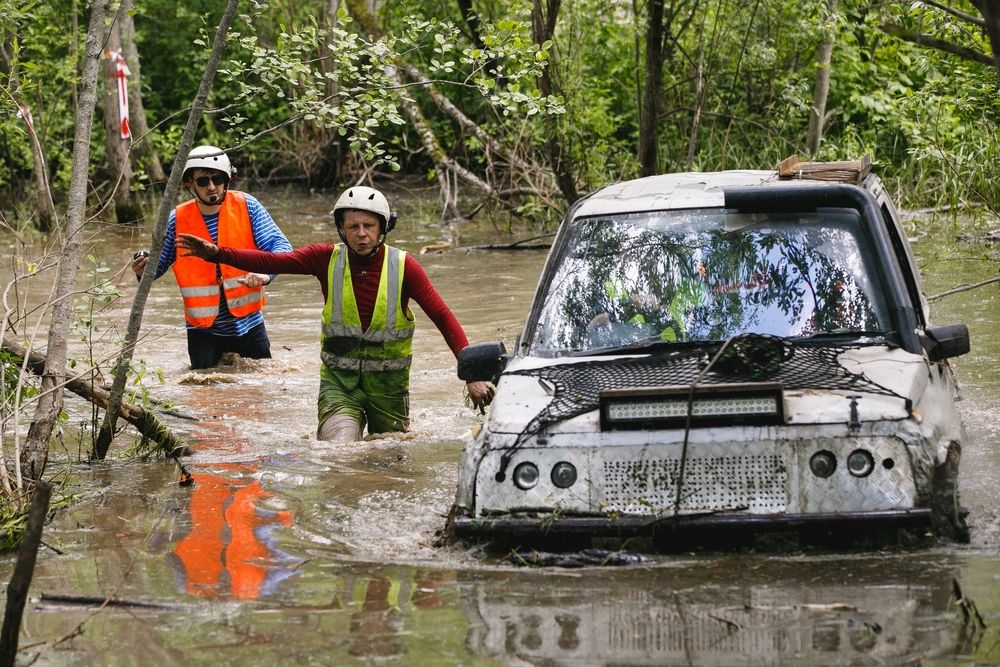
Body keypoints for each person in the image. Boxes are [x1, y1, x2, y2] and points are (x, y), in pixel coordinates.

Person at [176, 185, 494, 442]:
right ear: (341, 229)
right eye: (352, 226)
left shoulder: (404, 266)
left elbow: (442, 315)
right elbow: (271, 261)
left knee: (389, 462)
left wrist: (471, 372)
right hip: (339, 388)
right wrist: (217, 254)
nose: (361, 233)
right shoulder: (324, 258)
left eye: (369, 226)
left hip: (389, 391)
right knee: (339, 453)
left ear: (383, 228)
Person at [133, 145, 292, 369]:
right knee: (205, 396)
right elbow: (157, 268)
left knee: (259, 394)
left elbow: (281, 246)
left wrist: (266, 274)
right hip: (202, 333)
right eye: (202, 181)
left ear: (227, 180)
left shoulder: (248, 206)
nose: (211, 187)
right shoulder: (176, 219)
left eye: (217, 179)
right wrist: (143, 270)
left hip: (250, 326)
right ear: (189, 183)